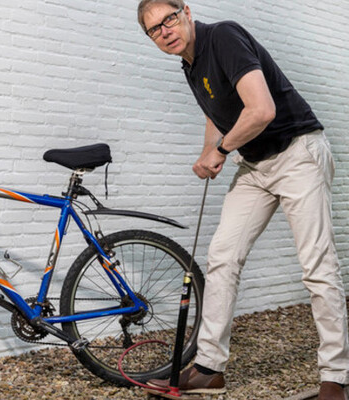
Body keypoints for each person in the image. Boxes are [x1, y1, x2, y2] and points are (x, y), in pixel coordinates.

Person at [136, 1, 349, 399]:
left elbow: (261, 110)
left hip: (297, 153)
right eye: (154, 29)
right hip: (255, 165)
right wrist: (208, 150)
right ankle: (209, 369)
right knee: (222, 257)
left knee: (317, 267)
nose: (165, 30)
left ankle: (336, 378)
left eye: (169, 19)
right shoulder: (190, 62)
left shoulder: (224, 37)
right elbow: (217, 109)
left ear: (185, 11)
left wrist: (221, 151)